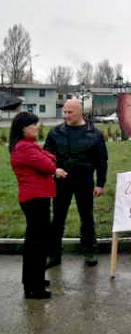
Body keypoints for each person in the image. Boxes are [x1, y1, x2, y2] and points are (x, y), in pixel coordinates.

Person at [44, 99, 108, 268]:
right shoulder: (55, 133)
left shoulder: (95, 134)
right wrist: (54, 169)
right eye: (64, 112)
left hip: (84, 180)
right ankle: (54, 254)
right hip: (61, 181)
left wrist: (100, 183)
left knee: (86, 217)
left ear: (80, 112)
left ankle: (89, 250)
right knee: (58, 218)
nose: (66, 115)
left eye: (70, 112)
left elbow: (101, 161)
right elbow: (46, 157)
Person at [9, 112, 67, 299]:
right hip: (35, 199)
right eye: (34, 125)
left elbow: (49, 157)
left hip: (36, 198)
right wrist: (52, 165)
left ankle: (34, 280)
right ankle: (34, 288)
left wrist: (50, 161)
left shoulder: (27, 146)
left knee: (35, 242)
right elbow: (49, 164)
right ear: (23, 128)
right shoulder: (25, 148)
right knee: (37, 243)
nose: (37, 127)